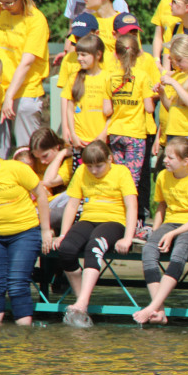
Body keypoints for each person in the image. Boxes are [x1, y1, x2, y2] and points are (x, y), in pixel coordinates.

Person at [53, 140, 138, 327]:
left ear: (110, 159)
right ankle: (82, 300)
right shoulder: (81, 172)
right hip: (89, 218)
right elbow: (72, 205)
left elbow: (132, 206)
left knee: (94, 246)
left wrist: (128, 237)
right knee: (66, 249)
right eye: (89, 166)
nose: (94, 171)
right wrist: (62, 234)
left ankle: (82, 303)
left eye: (99, 166)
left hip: (114, 221)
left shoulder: (121, 172)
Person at [134, 138, 188, 325]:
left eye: (170, 157)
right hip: (171, 223)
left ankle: (152, 306)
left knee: (181, 247)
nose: (165, 160)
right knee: (148, 249)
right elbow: (161, 206)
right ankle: (159, 310)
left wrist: (171, 235)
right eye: (165, 156)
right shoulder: (163, 176)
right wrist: (156, 231)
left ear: (186, 161)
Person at [0, 143, 51, 326]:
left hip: (24, 233)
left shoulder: (16, 169)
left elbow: (41, 195)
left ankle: (23, 337)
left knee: (17, 285)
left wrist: (46, 230)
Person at [0, 0, 50, 157]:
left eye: (9, 2)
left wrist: (10, 96)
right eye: (0, 1)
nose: (4, 6)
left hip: (25, 90)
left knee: (27, 150)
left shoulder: (36, 20)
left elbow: (26, 63)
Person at [106, 34, 157, 189]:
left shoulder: (110, 77)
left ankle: (118, 211)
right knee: (131, 182)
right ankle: (130, 213)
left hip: (115, 133)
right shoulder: (143, 76)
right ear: (138, 54)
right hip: (135, 134)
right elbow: (149, 108)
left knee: (119, 178)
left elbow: (107, 109)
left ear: (116, 55)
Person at [62, 33, 112, 151]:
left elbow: (114, 111)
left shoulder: (108, 78)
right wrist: (73, 135)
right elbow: (70, 109)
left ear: (98, 55)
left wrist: (103, 134)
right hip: (80, 141)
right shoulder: (74, 77)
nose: (79, 58)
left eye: (83, 55)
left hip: (101, 141)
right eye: (78, 54)